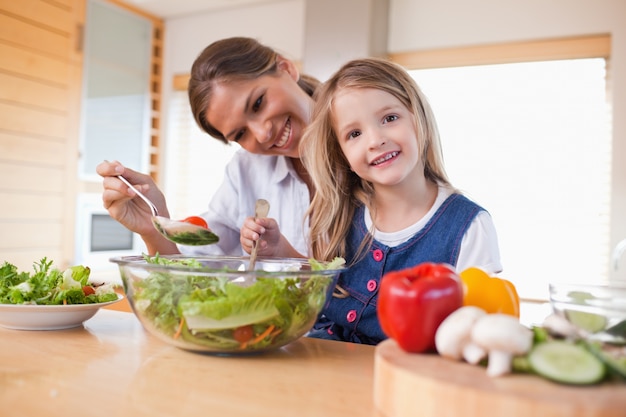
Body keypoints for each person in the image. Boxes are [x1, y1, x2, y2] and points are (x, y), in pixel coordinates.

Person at [253, 57, 502, 345]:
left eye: (389, 118)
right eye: (354, 134)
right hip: (325, 361)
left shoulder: (469, 226)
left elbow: (478, 332)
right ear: (342, 152)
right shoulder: (342, 211)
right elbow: (324, 289)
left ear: (417, 116)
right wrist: (280, 250)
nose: (375, 140)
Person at [97, 37, 319, 257]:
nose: (262, 133)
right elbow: (195, 271)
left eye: (258, 103)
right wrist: (153, 227)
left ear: (286, 68)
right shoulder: (246, 170)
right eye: (241, 133)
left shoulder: (353, 141)